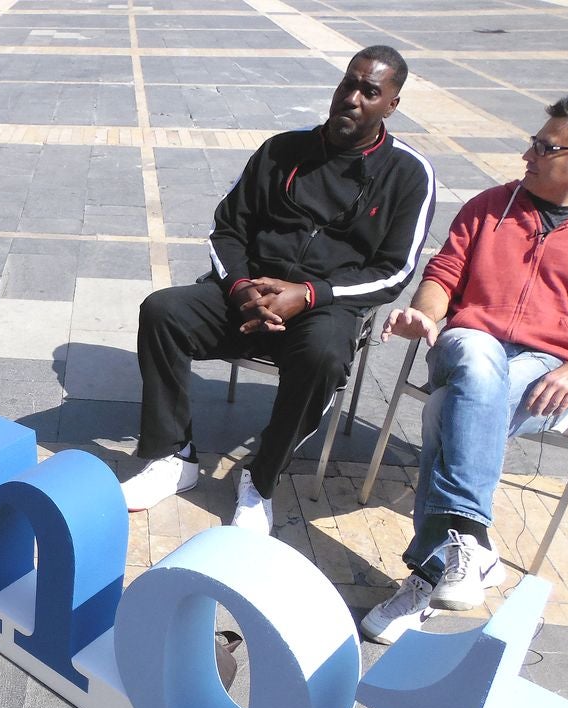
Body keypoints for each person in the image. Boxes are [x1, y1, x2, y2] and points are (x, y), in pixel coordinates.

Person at [360, 97, 568, 645]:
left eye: (545, 147)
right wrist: (427, 313)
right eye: (534, 141)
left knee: (447, 409)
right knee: (476, 359)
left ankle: (441, 567)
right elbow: (444, 272)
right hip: (463, 345)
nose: (527, 153)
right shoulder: (491, 205)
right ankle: (471, 537)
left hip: (547, 373)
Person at [119, 45, 435, 532]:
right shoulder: (282, 150)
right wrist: (242, 287)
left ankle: (261, 479)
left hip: (325, 307)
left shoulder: (409, 174)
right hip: (251, 295)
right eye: (348, 84)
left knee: (325, 358)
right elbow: (226, 230)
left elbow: (395, 270)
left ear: (391, 104)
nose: (352, 98)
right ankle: (171, 457)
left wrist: (309, 294)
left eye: (369, 91)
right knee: (163, 311)